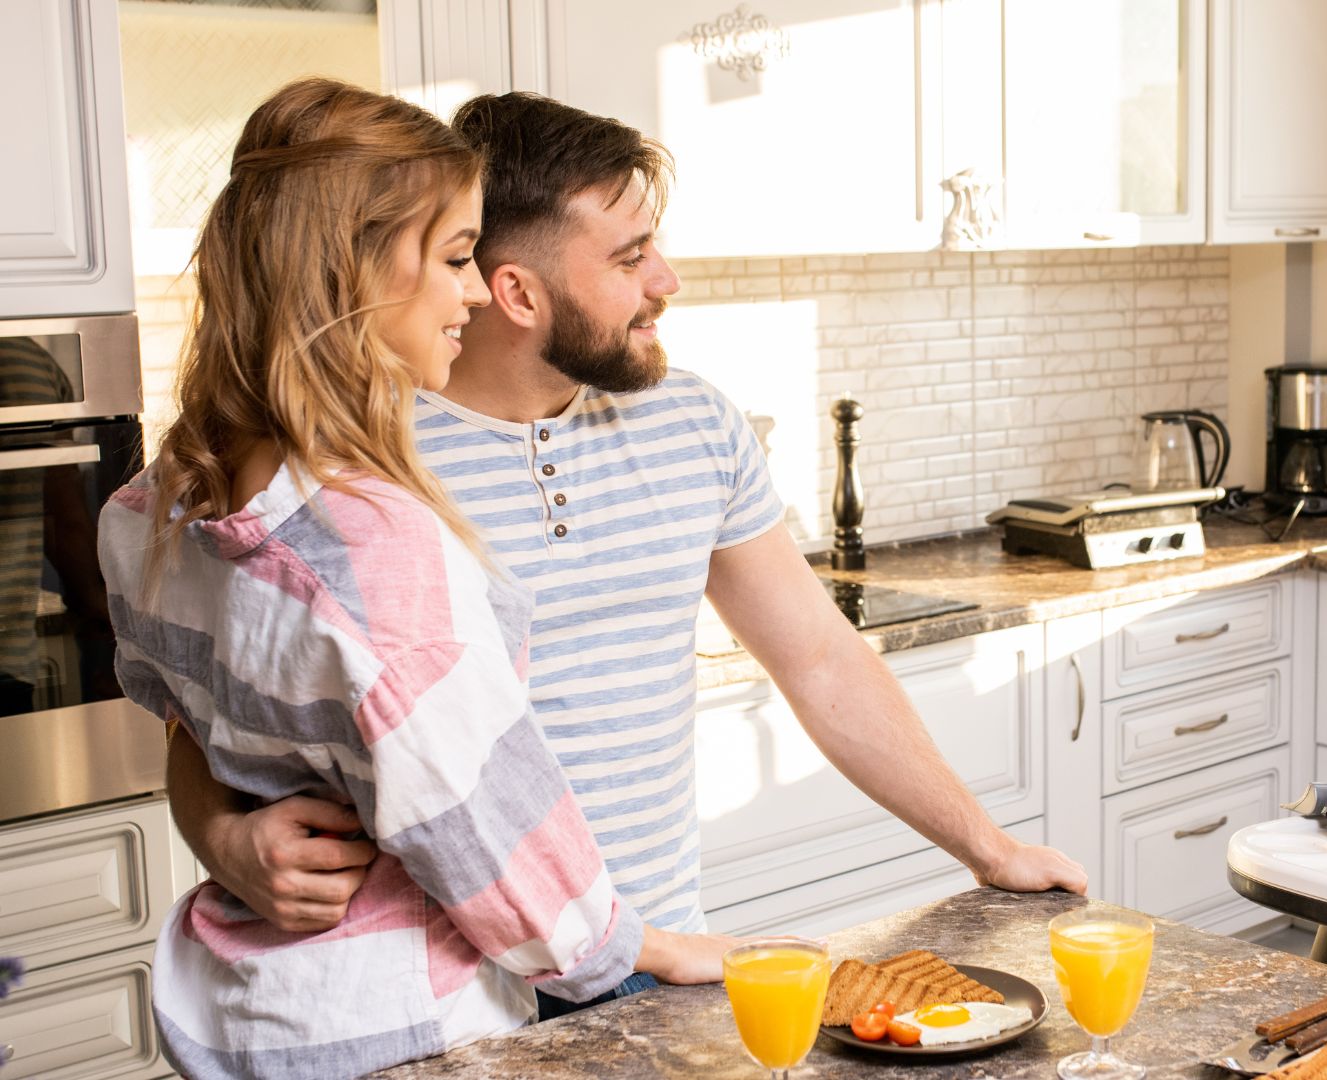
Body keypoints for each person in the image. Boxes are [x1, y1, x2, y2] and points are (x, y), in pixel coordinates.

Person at [163, 89, 1087, 1019]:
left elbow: (820, 659)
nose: (667, 280)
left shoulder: (696, 422)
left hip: (658, 959)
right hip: (443, 1000)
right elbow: (213, 705)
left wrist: (987, 847)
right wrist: (224, 841)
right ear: (516, 290)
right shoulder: (347, 458)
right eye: (630, 256)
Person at [97, 79, 650, 1077]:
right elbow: (484, 835)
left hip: (244, 1022)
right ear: (352, 274)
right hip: (403, 1032)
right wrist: (647, 954)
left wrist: (222, 837)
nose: (475, 292)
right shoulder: (375, 549)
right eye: (450, 260)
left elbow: (187, 724)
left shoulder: (143, 512)